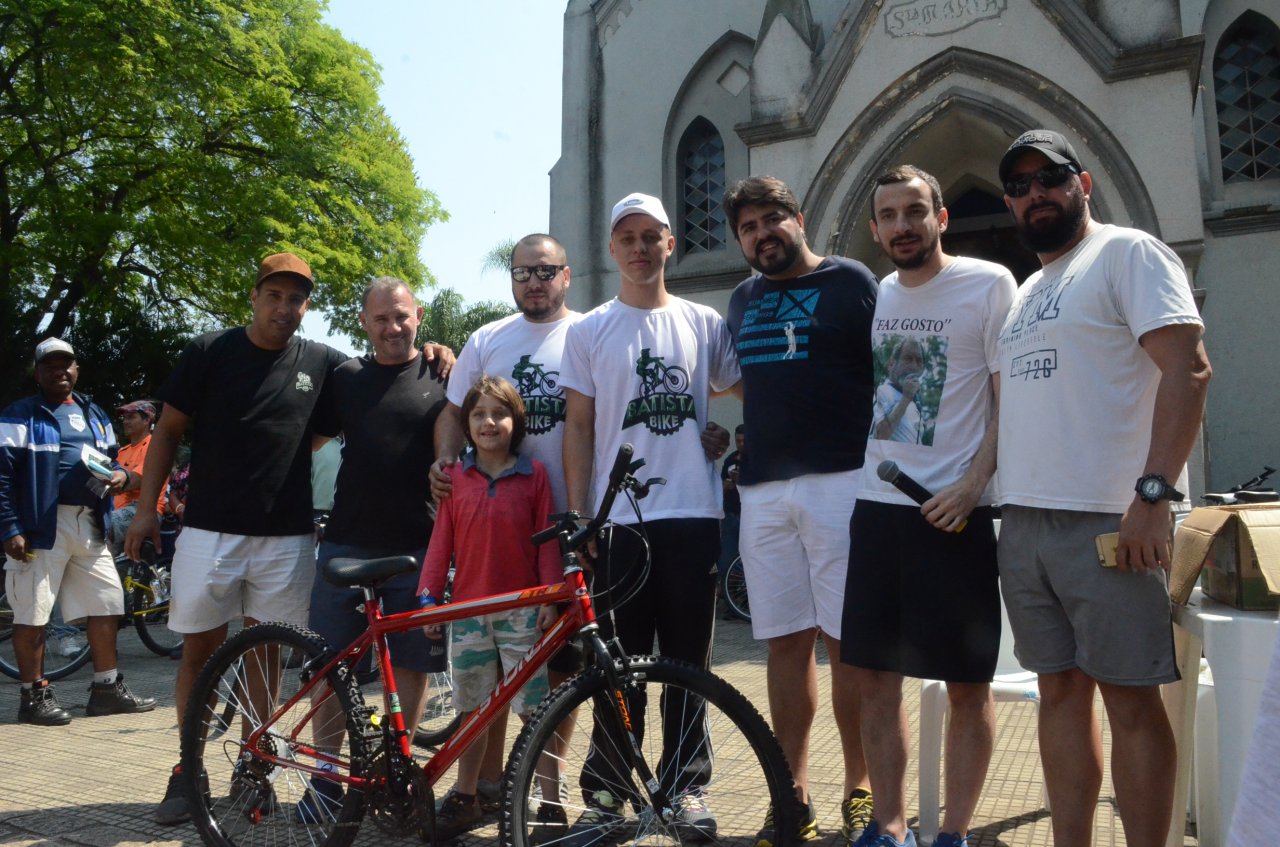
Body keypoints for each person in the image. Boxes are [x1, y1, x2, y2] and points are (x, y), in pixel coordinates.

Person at [127, 252, 453, 825]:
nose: (284, 307)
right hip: (208, 530)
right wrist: (144, 511)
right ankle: (188, 768)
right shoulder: (210, 351)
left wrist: (440, 351)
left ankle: (254, 767)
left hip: (287, 536)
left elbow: (361, 398)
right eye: (274, 295)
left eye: (296, 299)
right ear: (254, 296)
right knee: (200, 653)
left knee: (268, 655)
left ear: (307, 306)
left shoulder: (326, 363)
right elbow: (169, 431)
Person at [994, 130, 1211, 847]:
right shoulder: (1029, 290)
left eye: (1049, 177)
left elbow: (1189, 368)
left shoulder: (1128, 253)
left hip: (1110, 523)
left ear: (1082, 183)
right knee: (1057, 694)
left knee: (1131, 703)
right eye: (1019, 185)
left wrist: (1154, 495)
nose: (1035, 193)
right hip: (1026, 525)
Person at [560, 192, 741, 844]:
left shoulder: (703, 322)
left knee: (689, 665)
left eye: (651, 236)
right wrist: (581, 516)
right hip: (620, 524)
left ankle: (685, 786)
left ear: (670, 243)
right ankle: (609, 792)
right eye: (627, 238)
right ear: (612, 248)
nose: (640, 248)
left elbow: (746, 388)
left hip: (692, 514)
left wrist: (732, 437)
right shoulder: (589, 331)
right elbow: (579, 427)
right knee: (617, 667)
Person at [843, 166, 1016, 847]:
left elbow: (1009, 400)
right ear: (875, 228)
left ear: (941, 217)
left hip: (954, 514)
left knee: (968, 683)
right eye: (889, 215)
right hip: (876, 507)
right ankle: (890, 827)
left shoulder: (989, 284)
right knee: (875, 680)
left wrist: (974, 485)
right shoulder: (876, 295)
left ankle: (954, 834)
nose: (902, 225)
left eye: (915, 210)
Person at [721, 175, 876, 846]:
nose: (762, 234)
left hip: (841, 482)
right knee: (785, 644)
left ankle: (861, 788)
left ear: (799, 218)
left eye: (771, 220)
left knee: (848, 644)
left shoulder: (852, 282)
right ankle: (792, 796)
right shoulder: (742, 298)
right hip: (762, 492)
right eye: (748, 228)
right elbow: (741, 382)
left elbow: (891, 375)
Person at [430, 232, 582, 818]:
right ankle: (482, 790)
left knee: (557, 678)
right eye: (522, 273)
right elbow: (451, 412)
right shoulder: (488, 338)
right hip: (484, 546)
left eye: (545, 271)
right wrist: (446, 463)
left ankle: (548, 793)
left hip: (563, 527)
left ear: (566, 275)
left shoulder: (587, 332)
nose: (534, 282)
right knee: (482, 686)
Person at [300, 276, 449, 823]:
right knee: (330, 668)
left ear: (419, 314)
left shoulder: (441, 372)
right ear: (363, 322)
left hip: (417, 547)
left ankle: (394, 771)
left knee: (410, 665)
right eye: (381, 318)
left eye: (402, 315)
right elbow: (306, 441)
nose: (393, 327)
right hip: (346, 545)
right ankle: (325, 779)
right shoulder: (345, 378)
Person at [418, 375, 561, 840]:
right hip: (468, 615)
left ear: (515, 422)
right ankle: (465, 797)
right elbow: (441, 542)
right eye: (479, 414)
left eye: (499, 413)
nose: (489, 422)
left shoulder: (534, 475)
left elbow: (546, 542)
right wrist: (428, 597)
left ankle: (550, 803)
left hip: (523, 610)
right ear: (467, 424)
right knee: (473, 711)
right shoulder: (455, 479)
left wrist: (551, 597)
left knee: (535, 711)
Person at [0, 338, 157, 725]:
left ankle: (106, 690)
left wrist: (120, 476)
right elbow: (1, 476)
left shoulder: (93, 412)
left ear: (76, 370)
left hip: (90, 522)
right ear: (37, 373)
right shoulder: (20, 415)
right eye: (50, 366)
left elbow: (109, 461)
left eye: (66, 364)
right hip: (40, 527)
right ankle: (33, 696)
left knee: (107, 604)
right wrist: (10, 527)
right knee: (33, 611)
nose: (59, 371)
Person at [110, 400, 164, 556]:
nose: (125, 421)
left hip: (143, 509)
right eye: (124, 418)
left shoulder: (155, 446)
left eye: (131, 417)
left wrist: (108, 483)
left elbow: (137, 479)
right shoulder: (122, 451)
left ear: (147, 420)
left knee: (100, 525)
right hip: (117, 509)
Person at [718, 424, 745, 612]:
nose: (741, 444)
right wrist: (725, 486)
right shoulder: (730, 460)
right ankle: (730, 605)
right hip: (730, 515)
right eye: (738, 441)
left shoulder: (755, 459)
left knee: (746, 561)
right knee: (727, 560)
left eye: (744, 441)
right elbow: (720, 482)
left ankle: (742, 604)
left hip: (747, 514)